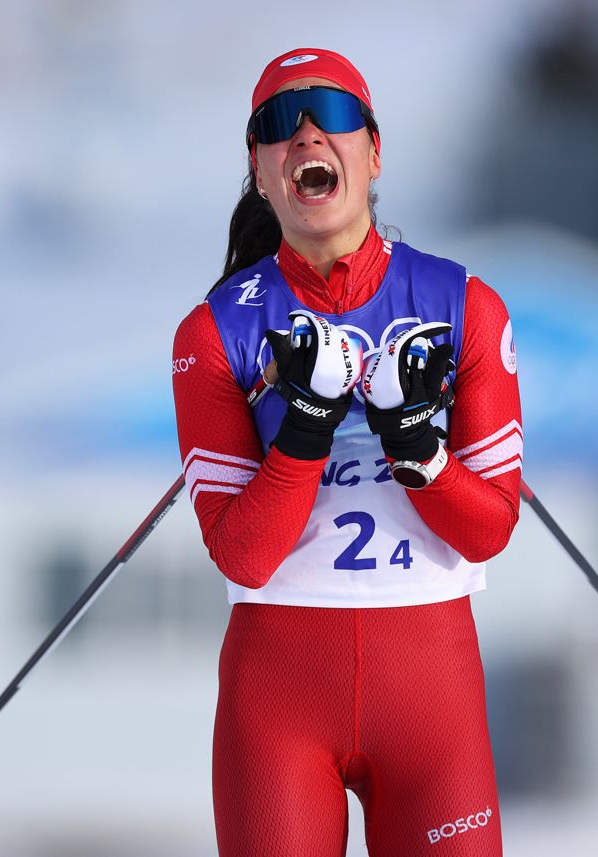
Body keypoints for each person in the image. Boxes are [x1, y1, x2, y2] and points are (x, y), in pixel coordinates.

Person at [171, 48, 523, 857]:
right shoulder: (215, 331)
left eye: (329, 115)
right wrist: (306, 425)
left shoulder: (462, 304)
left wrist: (413, 442)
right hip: (280, 695)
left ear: (372, 152)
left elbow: (487, 529)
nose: (304, 137)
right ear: (258, 171)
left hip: (431, 694)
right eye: (275, 126)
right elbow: (244, 554)